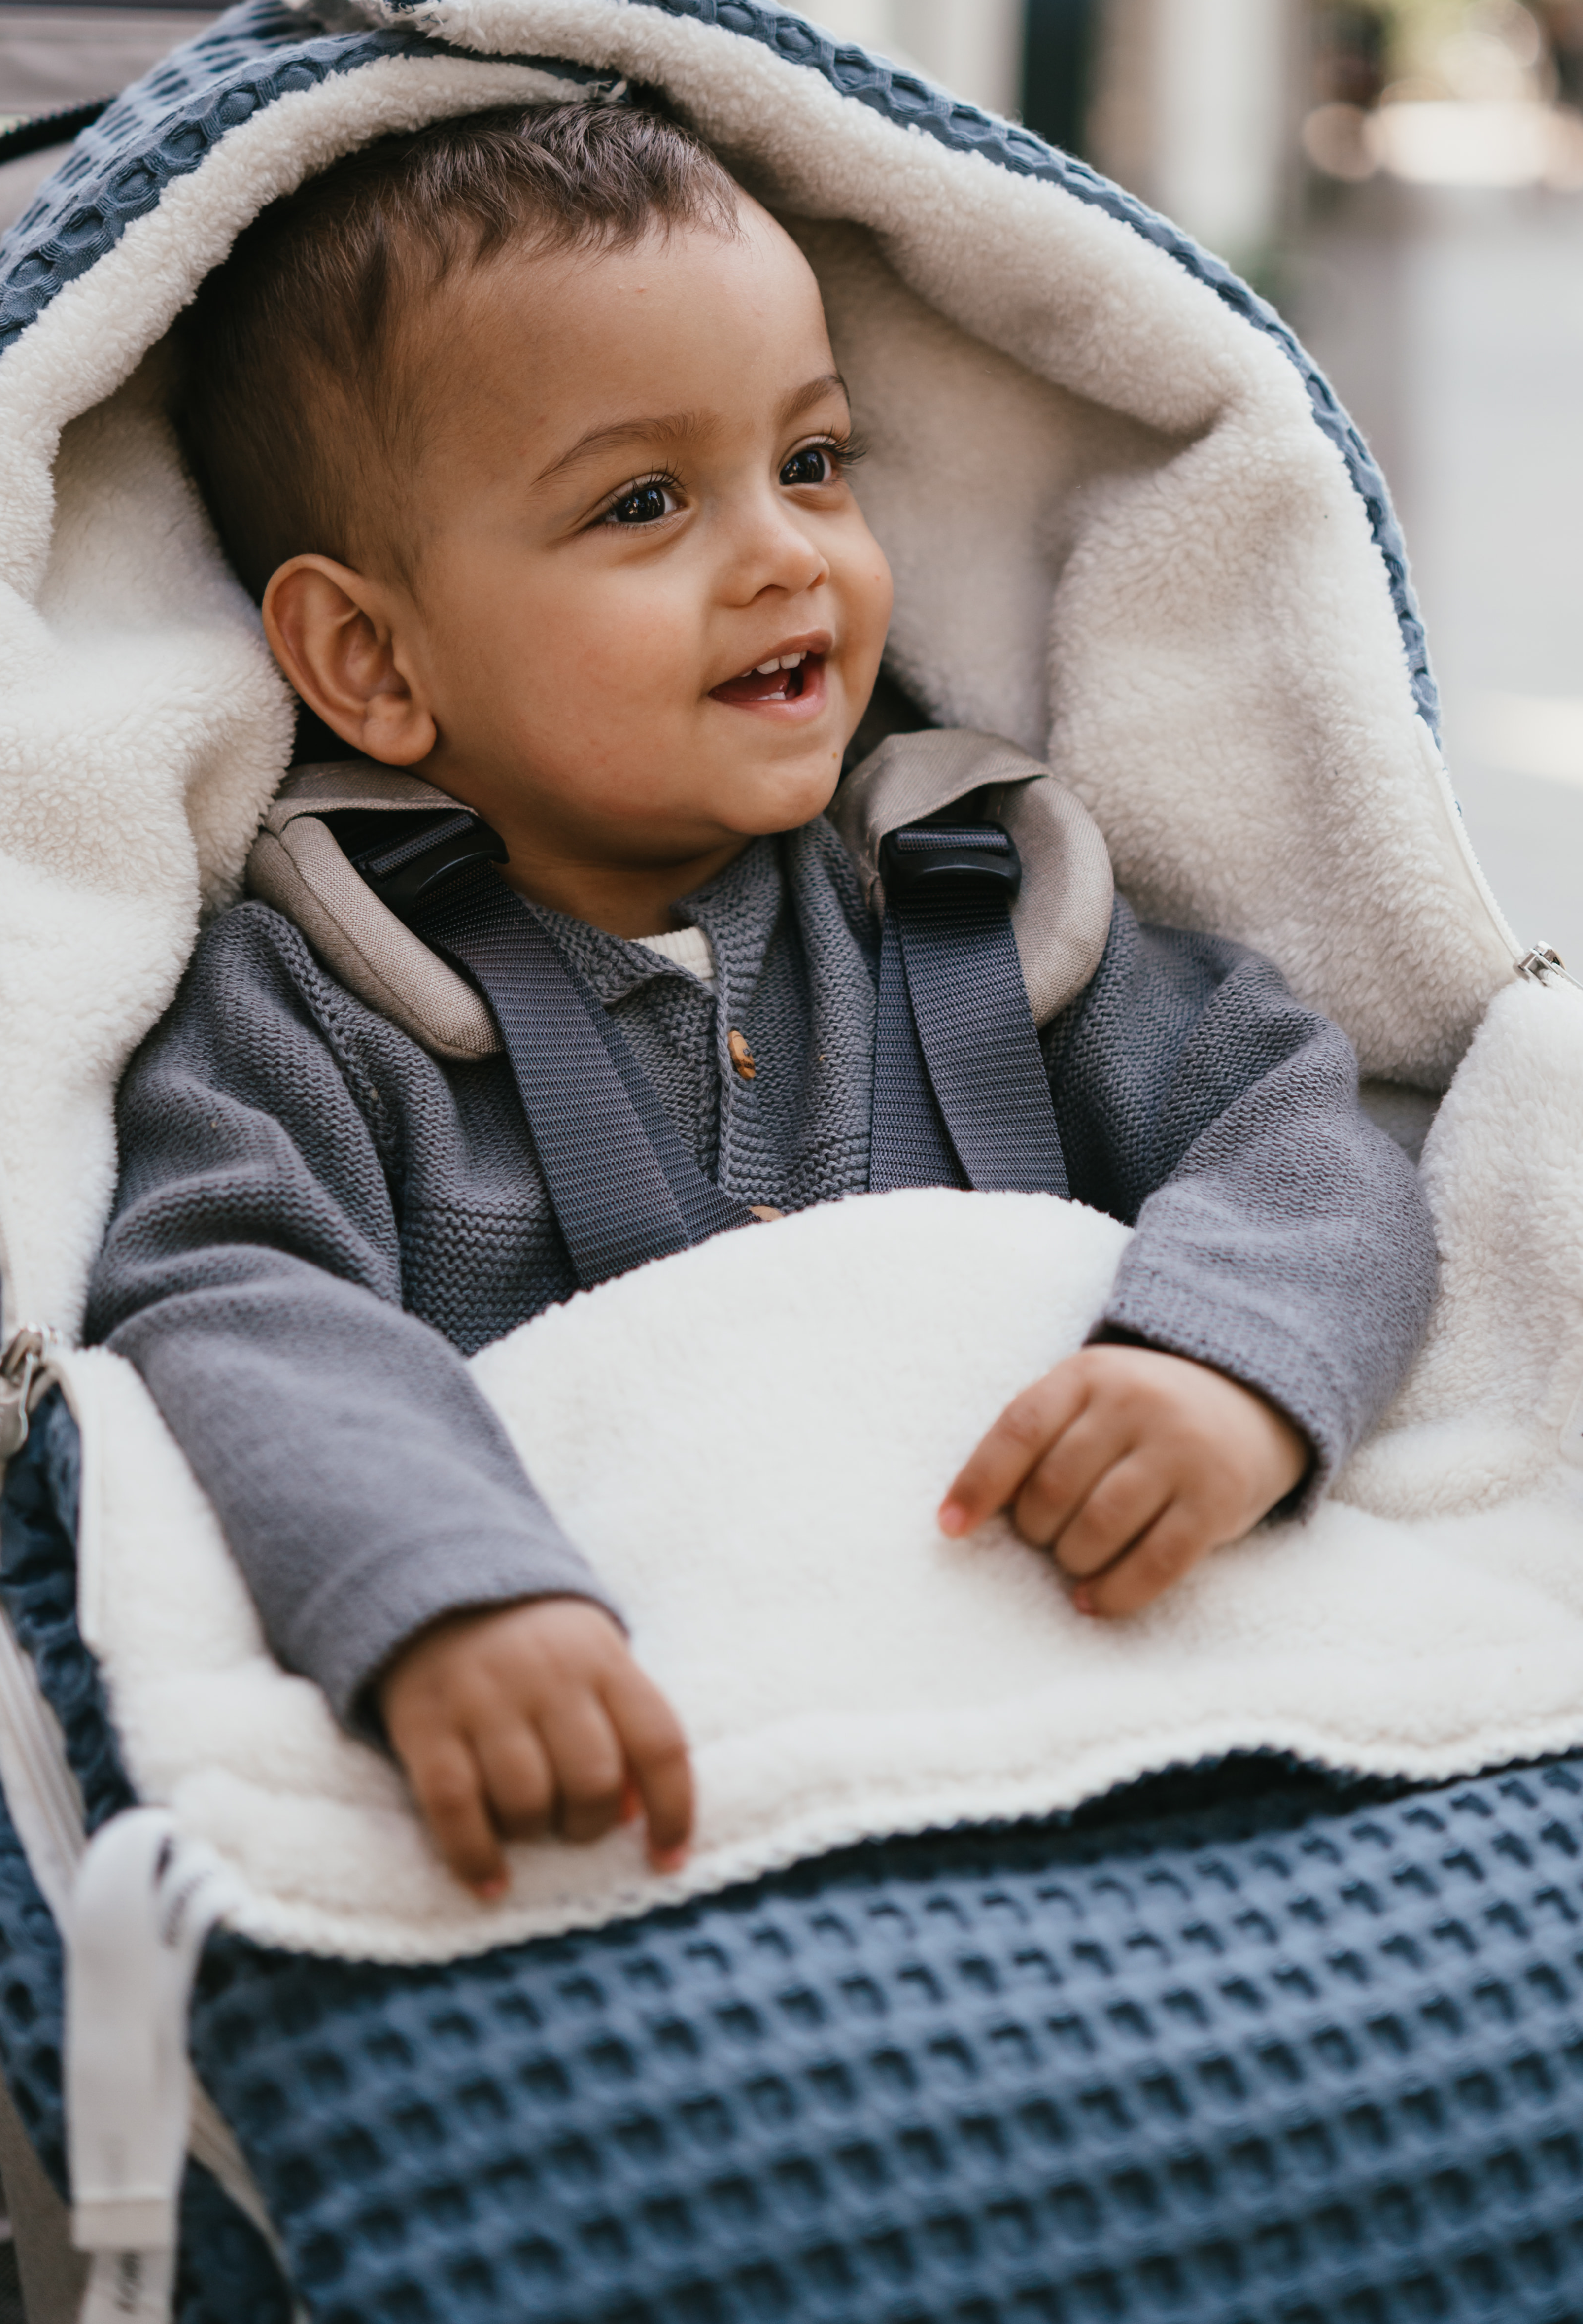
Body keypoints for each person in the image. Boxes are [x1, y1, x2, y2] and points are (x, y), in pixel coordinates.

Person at [87, 98, 1437, 1903]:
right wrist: (446, 1591)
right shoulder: (321, 1007)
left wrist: (1228, 1368)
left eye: (813, 462)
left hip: (1076, 1734)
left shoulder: (970, 890)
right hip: (687, 1787)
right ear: (373, 659)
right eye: (646, 502)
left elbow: (1295, 1125)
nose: (791, 552)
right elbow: (235, 1308)